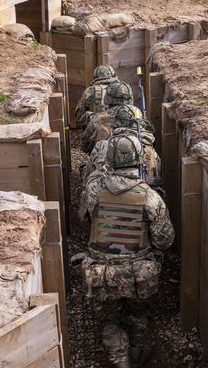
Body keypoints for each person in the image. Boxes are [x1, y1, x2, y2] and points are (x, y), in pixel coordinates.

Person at [78, 135, 174, 368]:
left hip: (102, 275)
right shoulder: (150, 198)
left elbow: (83, 219)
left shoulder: (93, 189)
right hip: (139, 277)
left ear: (109, 159)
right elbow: (165, 241)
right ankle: (137, 352)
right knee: (138, 316)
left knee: (109, 321)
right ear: (139, 160)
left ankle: (120, 360)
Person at [82, 104, 160, 183]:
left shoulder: (103, 145)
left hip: (107, 191)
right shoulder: (151, 151)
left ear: (115, 122)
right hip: (144, 192)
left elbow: (87, 179)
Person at [81, 80, 135, 153]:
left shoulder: (97, 118)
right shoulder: (138, 116)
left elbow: (85, 145)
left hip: (104, 162)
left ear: (107, 98)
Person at [75, 65, 125, 129]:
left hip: (98, 130)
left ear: (96, 77)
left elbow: (79, 116)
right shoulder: (122, 88)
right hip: (120, 128)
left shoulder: (90, 91)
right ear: (112, 75)